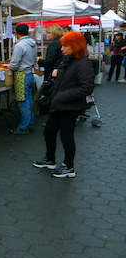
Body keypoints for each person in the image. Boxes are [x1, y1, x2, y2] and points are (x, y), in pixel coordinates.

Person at [33, 31, 94, 178]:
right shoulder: (67, 61)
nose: (62, 49)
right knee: (49, 132)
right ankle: (50, 159)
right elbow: (65, 80)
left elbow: (86, 88)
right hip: (59, 104)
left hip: (70, 106)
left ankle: (69, 166)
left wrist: (62, 96)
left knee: (66, 137)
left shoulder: (83, 63)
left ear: (75, 46)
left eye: (65, 46)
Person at [8, 23, 37, 135]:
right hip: (30, 73)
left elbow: (15, 63)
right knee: (30, 100)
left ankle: (23, 127)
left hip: (22, 75)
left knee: (23, 102)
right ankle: (29, 123)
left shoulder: (20, 45)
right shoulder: (33, 44)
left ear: (17, 33)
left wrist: (9, 67)